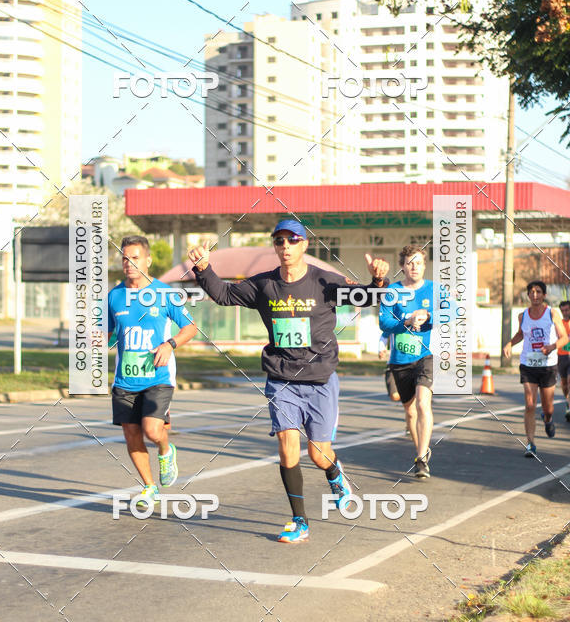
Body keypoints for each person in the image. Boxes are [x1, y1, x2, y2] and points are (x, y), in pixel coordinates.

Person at [188, 219, 389, 543]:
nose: (285, 247)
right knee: (287, 447)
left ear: (304, 245)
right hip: (281, 378)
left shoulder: (325, 281)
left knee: (319, 454)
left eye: (292, 241)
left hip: (320, 378)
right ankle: (300, 521)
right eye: (279, 241)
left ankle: (335, 474)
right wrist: (203, 269)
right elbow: (224, 294)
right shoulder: (265, 285)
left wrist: (379, 280)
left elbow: (368, 298)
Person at [108, 235, 198, 505]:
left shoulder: (164, 293)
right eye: (125, 258)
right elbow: (109, 334)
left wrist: (170, 344)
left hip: (157, 376)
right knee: (131, 433)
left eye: (135, 258)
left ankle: (165, 448)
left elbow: (190, 327)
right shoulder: (114, 296)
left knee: (151, 430)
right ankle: (149, 487)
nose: (129, 263)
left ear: (147, 260)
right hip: (125, 379)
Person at [379, 245, 433, 479]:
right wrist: (407, 322)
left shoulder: (433, 289)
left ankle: (421, 459)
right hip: (399, 360)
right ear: (402, 266)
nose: (414, 266)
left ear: (424, 265)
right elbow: (384, 324)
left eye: (418, 262)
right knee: (410, 412)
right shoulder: (392, 291)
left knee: (423, 404)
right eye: (409, 262)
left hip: (424, 356)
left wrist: (429, 316)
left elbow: (450, 311)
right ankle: (420, 448)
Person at [503, 280, 568, 457]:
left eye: (538, 291)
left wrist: (551, 347)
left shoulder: (552, 314)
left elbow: (564, 338)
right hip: (528, 364)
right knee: (530, 405)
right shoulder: (523, 316)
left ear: (544, 295)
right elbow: (520, 334)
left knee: (548, 407)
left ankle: (548, 419)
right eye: (531, 292)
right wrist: (509, 343)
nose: (535, 295)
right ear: (528, 295)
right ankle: (530, 443)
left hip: (547, 365)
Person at [557, 300, 570, 422]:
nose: (565, 313)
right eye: (563, 311)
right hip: (561, 357)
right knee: (565, 384)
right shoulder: (559, 324)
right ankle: (567, 401)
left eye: (567, 310)